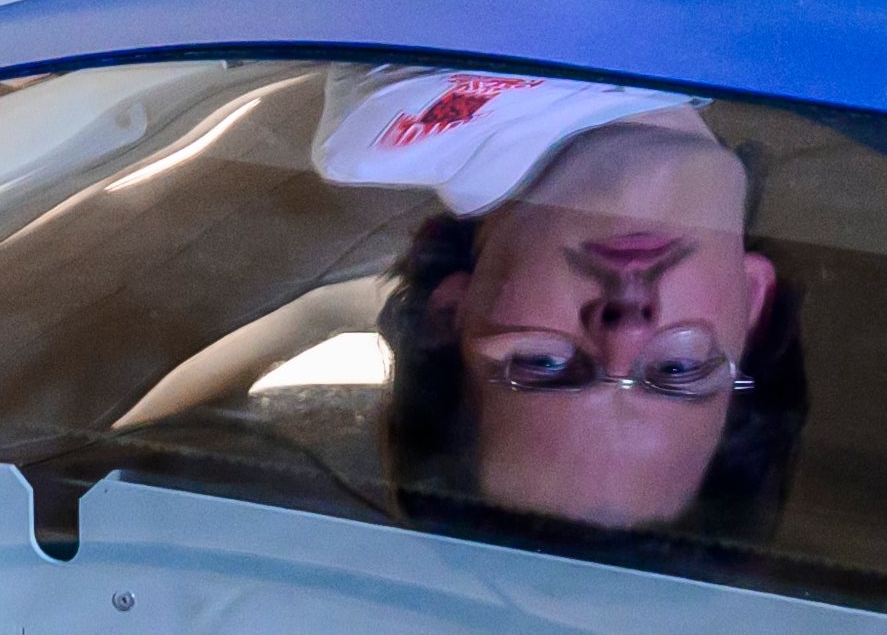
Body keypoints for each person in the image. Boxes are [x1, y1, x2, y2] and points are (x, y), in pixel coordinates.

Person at [318, 66, 803, 541]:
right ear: (754, 300)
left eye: (545, 364)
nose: (627, 330)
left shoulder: (405, 96)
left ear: (450, 311)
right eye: (677, 370)